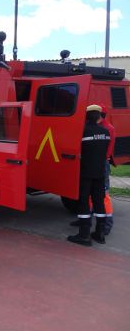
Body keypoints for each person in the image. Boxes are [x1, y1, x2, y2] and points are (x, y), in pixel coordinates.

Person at [67, 104, 110, 246]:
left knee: (84, 201)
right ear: (98, 116)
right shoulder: (105, 132)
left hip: (85, 173)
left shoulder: (83, 132)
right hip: (99, 173)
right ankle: (100, 233)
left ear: (86, 116)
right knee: (99, 201)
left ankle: (84, 235)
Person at [99, 104, 115, 235]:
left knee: (104, 193)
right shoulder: (105, 127)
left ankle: (108, 223)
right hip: (99, 162)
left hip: (101, 162)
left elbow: (108, 149)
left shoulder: (106, 128)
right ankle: (90, 216)